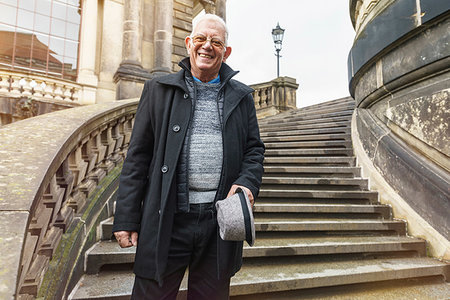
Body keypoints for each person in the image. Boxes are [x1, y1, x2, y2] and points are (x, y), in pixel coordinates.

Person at [112, 13, 265, 300]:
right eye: (201, 39)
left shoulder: (242, 96)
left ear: (226, 51)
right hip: (167, 219)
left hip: (218, 223)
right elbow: (137, 157)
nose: (207, 46)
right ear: (188, 43)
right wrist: (126, 217)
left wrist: (247, 181)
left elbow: (254, 149)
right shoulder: (158, 90)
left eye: (216, 42)